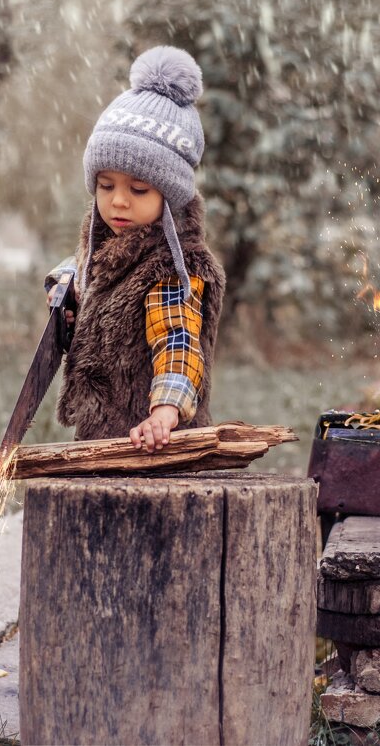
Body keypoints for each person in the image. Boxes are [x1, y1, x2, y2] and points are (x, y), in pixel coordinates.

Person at [45, 45, 225, 453]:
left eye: (138, 189)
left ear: (170, 195)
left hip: (154, 444)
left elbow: (178, 340)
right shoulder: (108, 243)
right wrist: (65, 286)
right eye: (106, 186)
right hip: (101, 439)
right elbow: (84, 270)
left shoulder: (171, 269)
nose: (118, 201)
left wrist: (165, 411)